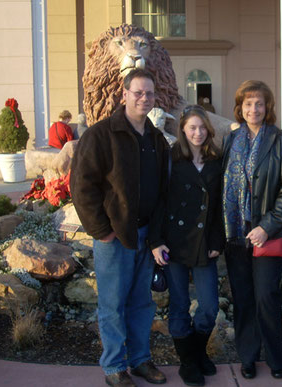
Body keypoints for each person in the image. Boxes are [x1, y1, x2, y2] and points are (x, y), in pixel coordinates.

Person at [70, 69, 169, 387]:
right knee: (112, 304)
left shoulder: (155, 138)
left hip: (146, 236)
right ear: (123, 94)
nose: (144, 98)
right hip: (115, 237)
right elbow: (82, 185)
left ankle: (139, 361)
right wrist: (101, 230)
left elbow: (164, 189)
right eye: (138, 92)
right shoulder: (101, 135)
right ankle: (114, 366)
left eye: (149, 94)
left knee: (142, 302)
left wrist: (156, 236)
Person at [222, 80, 282, 380]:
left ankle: (275, 357)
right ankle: (248, 356)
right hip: (236, 235)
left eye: (259, 103)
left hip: (268, 235)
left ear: (268, 108)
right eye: (248, 103)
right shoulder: (231, 140)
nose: (253, 109)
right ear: (240, 108)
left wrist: (267, 227)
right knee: (243, 298)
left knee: (266, 295)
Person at [152, 105, 223, 386]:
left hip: (206, 243)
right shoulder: (171, 159)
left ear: (209, 130)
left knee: (209, 306)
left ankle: (195, 352)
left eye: (202, 128)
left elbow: (219, 206)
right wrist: (155, 241)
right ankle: (189, 363)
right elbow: (159, 202)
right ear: (182, 129)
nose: (198, 132)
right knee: (180, 304)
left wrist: (218, 240)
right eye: (192, 127)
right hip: (175, 242)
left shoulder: (216, 161)